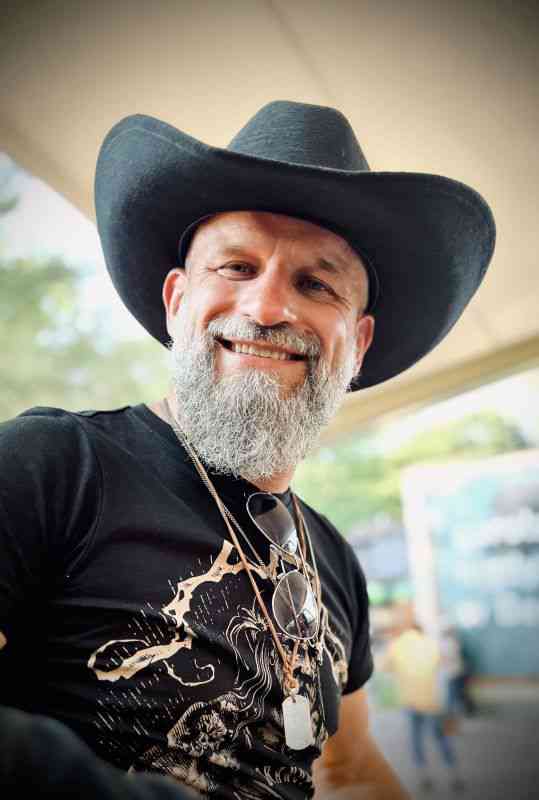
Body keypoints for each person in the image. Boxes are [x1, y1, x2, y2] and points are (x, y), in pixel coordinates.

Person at [0, 100, 495, 799]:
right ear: (176, 301)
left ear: (358, 344)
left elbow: (350, 770)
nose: (265, 308)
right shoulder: (51, 466)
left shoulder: (333, 559)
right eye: (236, 266)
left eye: (315, 284)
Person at [382, 622, 464, 794]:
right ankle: (453, 774)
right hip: (431, 700)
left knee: (415, 739)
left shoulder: (397, 645)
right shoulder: (430, 644)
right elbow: (444, 666)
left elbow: (386, 667)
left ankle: (423, 776)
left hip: (410, 700)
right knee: (441, 738)